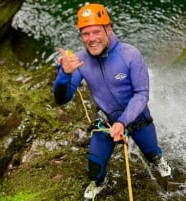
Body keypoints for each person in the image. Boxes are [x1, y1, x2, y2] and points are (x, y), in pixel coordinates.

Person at [52, 3, 172, 200]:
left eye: (96, 32)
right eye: (85, 34)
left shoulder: (130, 55)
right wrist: (64, 74)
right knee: (94, 168)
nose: (91, 39)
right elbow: (62, 100)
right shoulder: (79, 61)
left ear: (108, 29)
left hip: (137, 117)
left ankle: (159, 161)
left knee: (152, 154)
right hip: (106, 120)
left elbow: (142, 94)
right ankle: (99, 183)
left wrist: (123, 122)